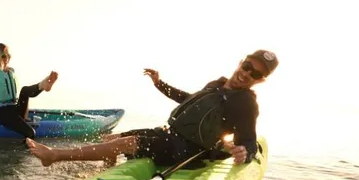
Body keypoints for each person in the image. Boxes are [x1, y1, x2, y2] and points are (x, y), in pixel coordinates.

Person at [26, 49, 279, 167]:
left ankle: (55, 156)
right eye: (247, 65)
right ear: (241, 61)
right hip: (171, 134)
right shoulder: (217, 84)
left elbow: (248, 140)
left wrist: (243, 153)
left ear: (261, 80)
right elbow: (188, 100)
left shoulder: (247, 103)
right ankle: (107, 166)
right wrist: (160, 84)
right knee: (112, 137)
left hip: (191, 150)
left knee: (130, 142)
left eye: (256, 73)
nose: (247, 73)